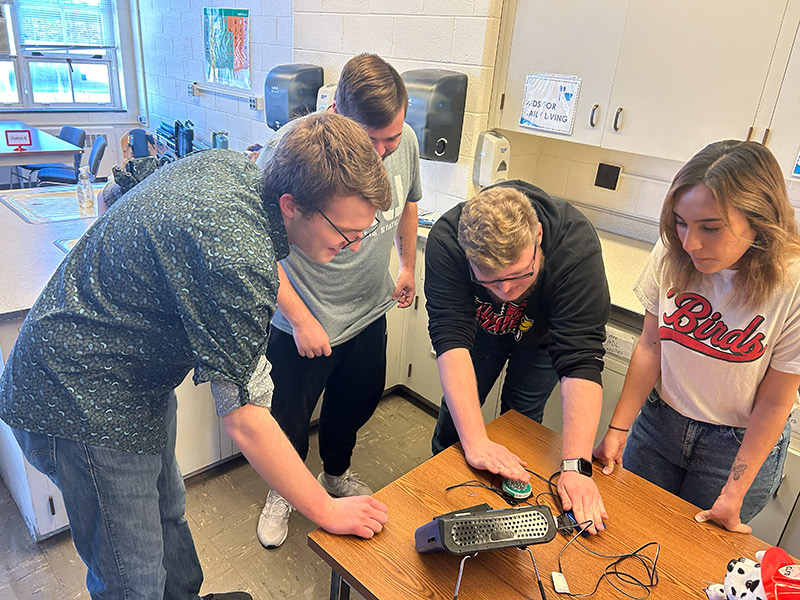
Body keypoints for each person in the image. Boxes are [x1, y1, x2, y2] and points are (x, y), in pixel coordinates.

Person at [0, 112, 390, 600]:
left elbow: (122, 187)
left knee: (168, 517)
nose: (353, 245)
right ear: (292, 205)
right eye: (346, 232)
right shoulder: (238, 255)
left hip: (134, 384)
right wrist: (326, 509)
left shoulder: (237, 168)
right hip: (77, 398)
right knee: (132, 579)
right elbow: (245, 419)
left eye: (363, 232)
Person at [254, 53, 421, 549]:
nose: (384, 150)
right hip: (302, 319)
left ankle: (335, 474)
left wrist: (407, 265)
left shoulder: (403, 144)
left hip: (366, 309)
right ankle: (282, 493)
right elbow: (259, 248)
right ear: (336, 115)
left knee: (356, 402)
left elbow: (409, 200)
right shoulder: (288, 152)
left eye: (392, 137)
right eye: (372, 139)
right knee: (287, 417)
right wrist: (301, 319)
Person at [593, 140, 800, 533]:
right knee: (629, 535)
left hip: (736, 447)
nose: (690, 243)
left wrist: (735, 492)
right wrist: (618, 428)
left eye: (710, 227)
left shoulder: (792, 281)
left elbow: (776, 399)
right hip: (660, 424)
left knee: (690, 561)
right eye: (681, 222)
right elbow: (651, 345)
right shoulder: (674, 250)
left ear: (759, 219)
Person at [426, 180, 611, 534]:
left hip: (541, 338)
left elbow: (581, 360)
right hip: (477, 334)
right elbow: (450, 337)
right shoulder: (448, 240)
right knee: (458, 422)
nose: (507, 292)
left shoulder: (576, 248)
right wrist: (476, 442)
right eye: (491, 281)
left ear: (538, 236)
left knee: (522, 418)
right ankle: (439, 494)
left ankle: (509, 503)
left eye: (519, 275)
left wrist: (576, 467)